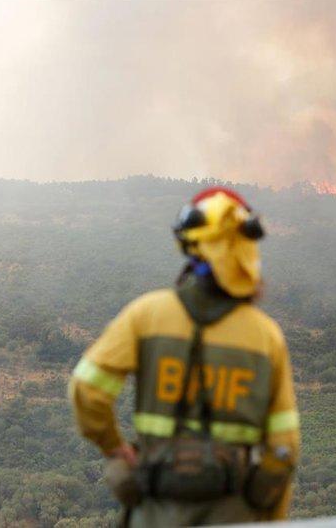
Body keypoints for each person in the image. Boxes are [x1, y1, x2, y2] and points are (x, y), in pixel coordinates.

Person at [68, 187, 300, 526]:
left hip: (155, 509)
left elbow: (86, 389)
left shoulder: (145, 315)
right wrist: (264, 510)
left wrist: (115, 448)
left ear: (190, 245)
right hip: (234, 513)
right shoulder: (266, 336)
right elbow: (285, 446)